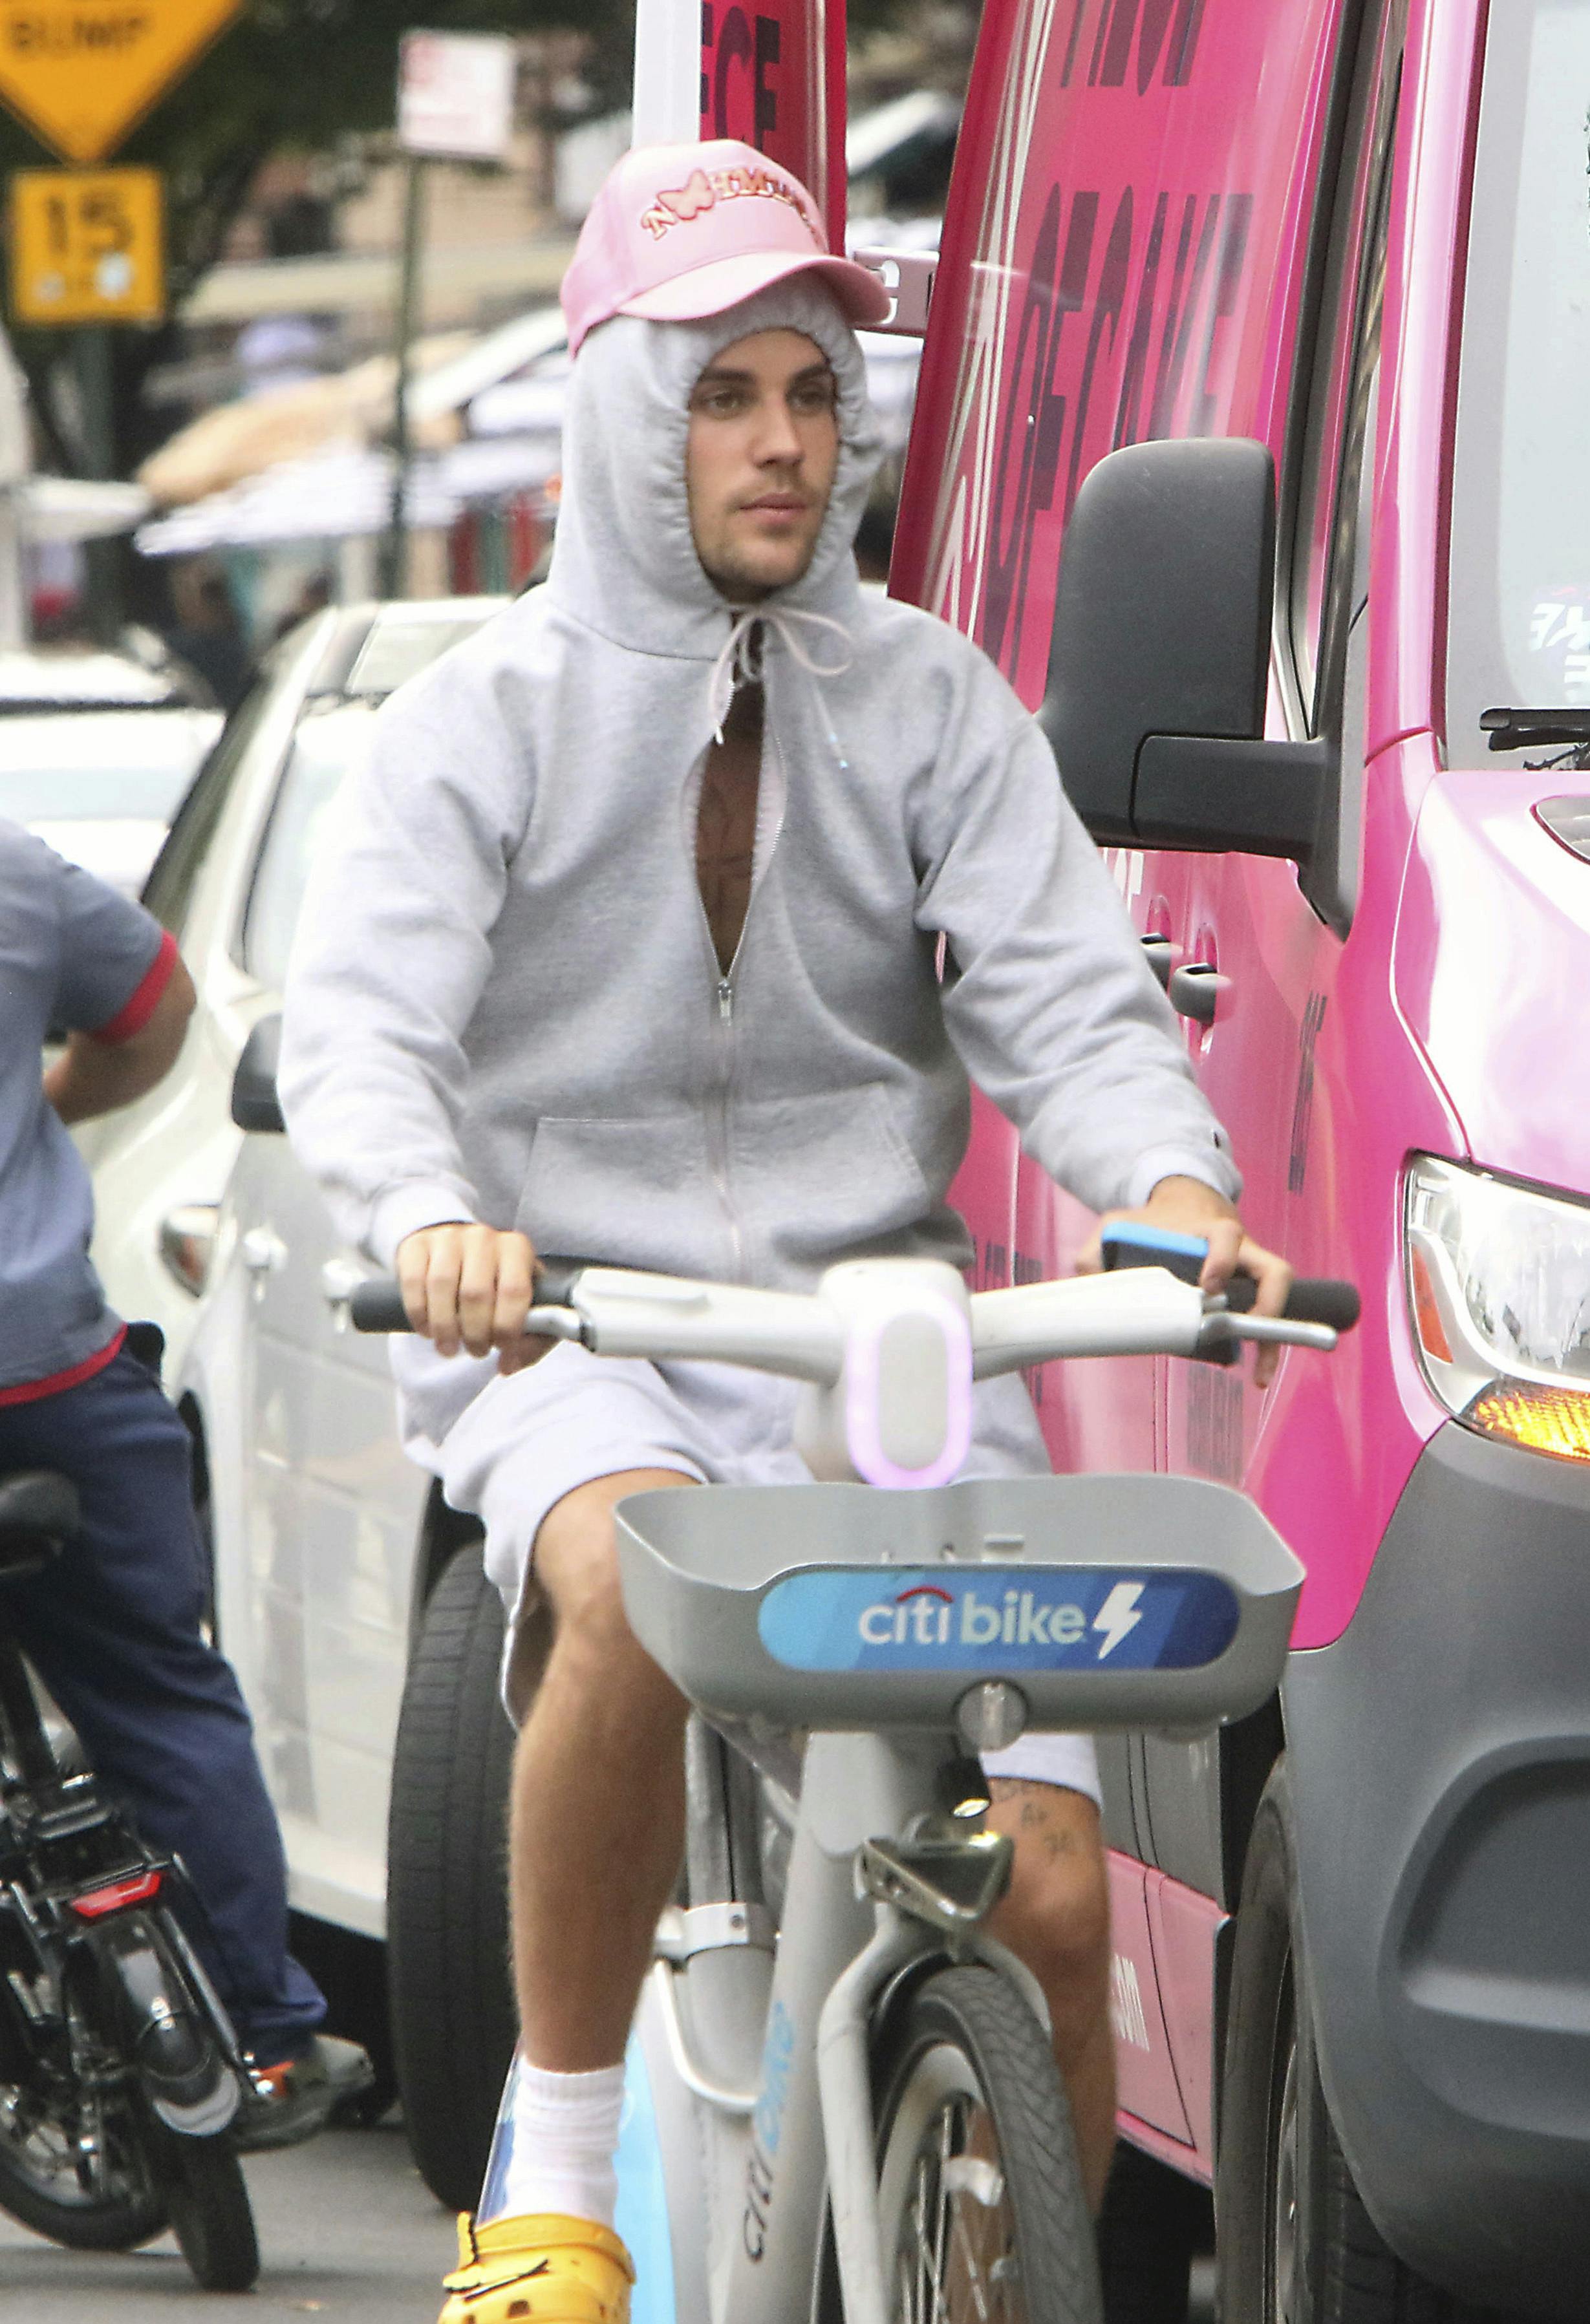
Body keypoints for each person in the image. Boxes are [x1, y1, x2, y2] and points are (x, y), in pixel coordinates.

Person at [279, 138, 1291, 2324]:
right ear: (627, 414)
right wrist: (435, 1220)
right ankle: (554, 2179)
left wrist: (1179, 1198)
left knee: (1033, 1873)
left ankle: (1016, 2251)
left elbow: (1067, 1000)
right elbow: (360, 1031)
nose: (780, 442)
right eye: (727, 391)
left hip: (870, 1347)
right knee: (636, 1595)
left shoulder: (930, 698)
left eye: (814, 395)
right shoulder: (481, 717)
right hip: (570, 1319)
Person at [0, 818, 371, 2148]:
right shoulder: (18, 874)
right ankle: (263, 2031)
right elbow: (156, 1013)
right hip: (45, 1378)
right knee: (163, 1691)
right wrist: (46, 1104)